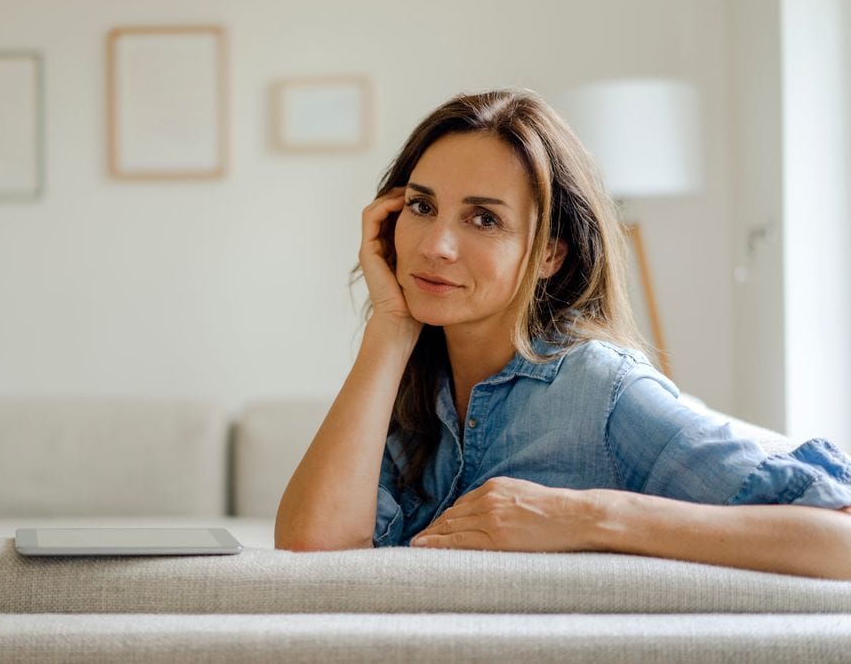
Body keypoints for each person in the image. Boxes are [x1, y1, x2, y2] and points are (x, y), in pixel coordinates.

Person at [274, 88, 851, 579]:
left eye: (484, 219)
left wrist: (584, 518)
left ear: (550, 252)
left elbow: (838, 539)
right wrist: (391, 327)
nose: (435, 246)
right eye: (422, 207)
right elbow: (311, 554)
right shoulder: (413, 389)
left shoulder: (599, 390)